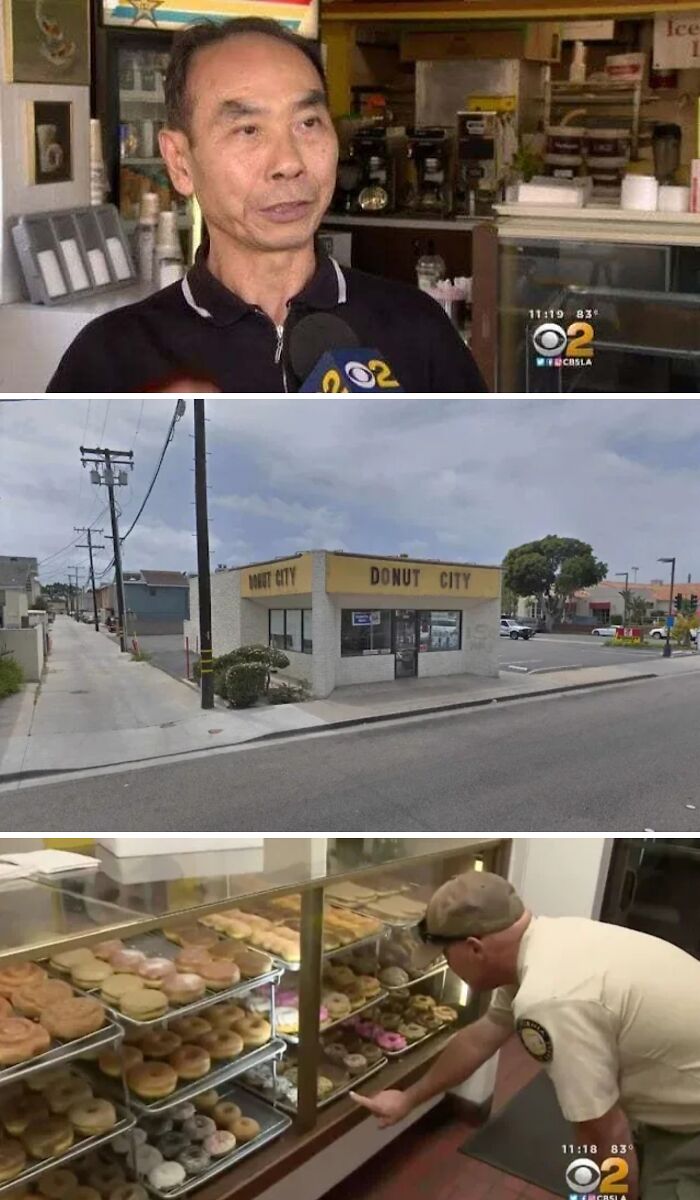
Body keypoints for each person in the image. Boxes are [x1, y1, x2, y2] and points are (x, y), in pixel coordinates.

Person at [47, 18, 486, 394]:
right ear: (180, 162)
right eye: (248, 130)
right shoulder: (112, 357)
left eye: (308, 122)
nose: (289, 163)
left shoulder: (418, 328)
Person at [352, 870, 700, 1200]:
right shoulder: (547, 942)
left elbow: (603, 1133)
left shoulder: (552, 998)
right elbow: (483, 1035)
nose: (444, 964)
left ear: (475, 948)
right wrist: (408, 1099)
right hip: (674, 1095)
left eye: (445, 953)